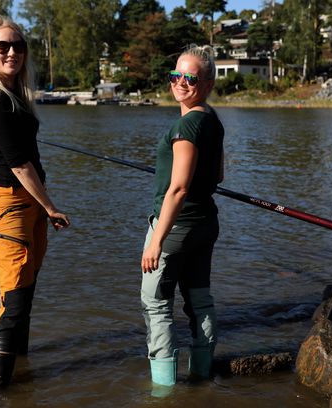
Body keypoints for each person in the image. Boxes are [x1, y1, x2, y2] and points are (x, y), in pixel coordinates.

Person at [0, 17, 70, 391]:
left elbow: (27, 153)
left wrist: (41, 206)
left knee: (24, 291)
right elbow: (19, 165)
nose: (12, 52)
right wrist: (51, 207)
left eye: (18, 45)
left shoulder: (16, 97)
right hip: (9, 206)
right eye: (2, 46)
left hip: (28, 205)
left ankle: (21, 368)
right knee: (14, 300)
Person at [141, 45, 224, 388]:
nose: (181, 82)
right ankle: (202, 374)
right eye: (176, 75)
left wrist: (156, 240)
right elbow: (217, 176)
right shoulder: (212, 119)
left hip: (176, 227)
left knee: (156, 303)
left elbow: (177, 190)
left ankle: (163, 389)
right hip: (206, 225)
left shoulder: (186, 127)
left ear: (206, 84)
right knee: (199, 298)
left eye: (190, 77)